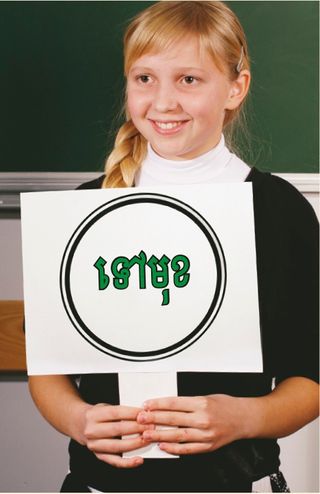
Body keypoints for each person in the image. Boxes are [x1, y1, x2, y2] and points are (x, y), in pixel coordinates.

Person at [28, 2, 319, 492]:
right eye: (144, 78)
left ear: (235, 88)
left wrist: (244, 417)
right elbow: (48, 369)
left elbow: (310, 379)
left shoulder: (279, 211)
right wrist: (78, 419)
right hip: (99, 486)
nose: (163, 102)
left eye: (188, 79)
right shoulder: (86, 210)